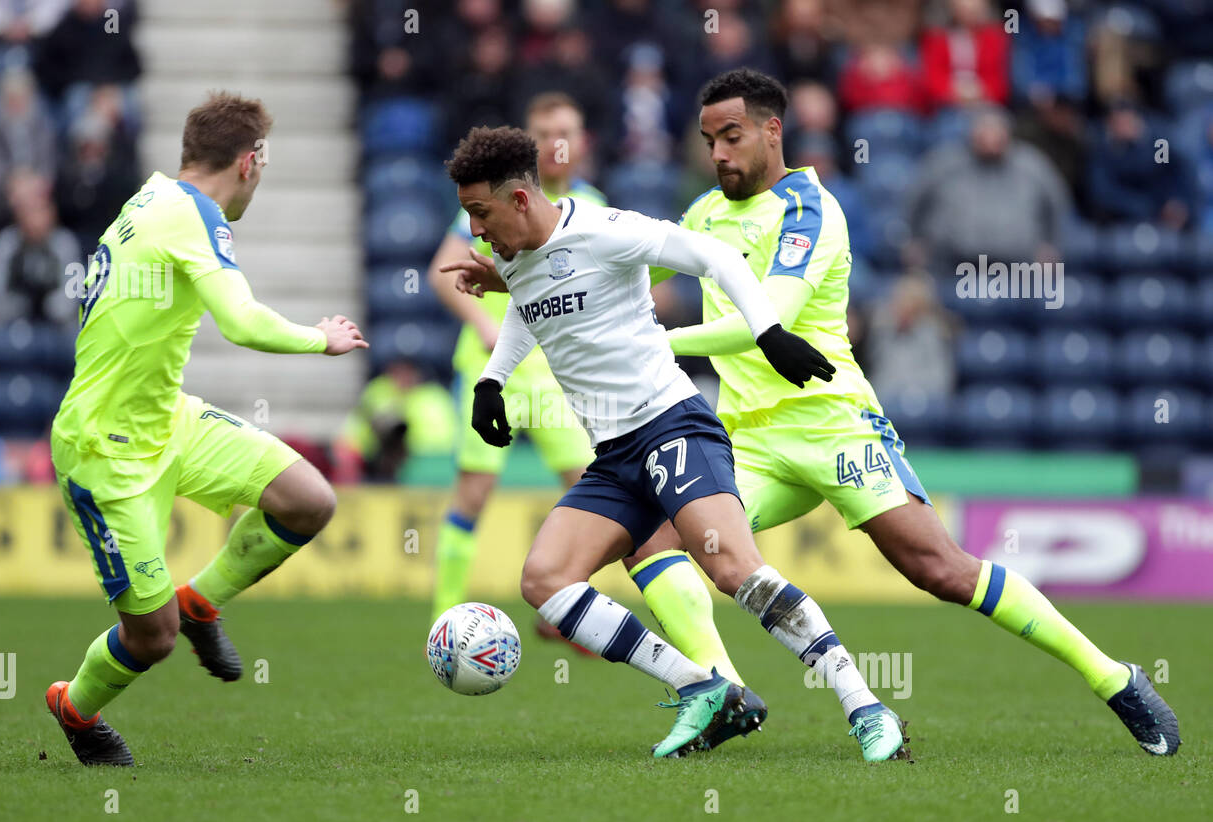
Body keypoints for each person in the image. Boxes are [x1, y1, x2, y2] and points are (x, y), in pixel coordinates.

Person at [633, 68, 1178, 758]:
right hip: (748, 442)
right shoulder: (705, 213)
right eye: (709, 140)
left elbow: (768, 320)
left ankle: (1114, 678)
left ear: (774, 130)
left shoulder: (811, 208)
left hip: (836, 427)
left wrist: (655, 339)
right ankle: (720, 693)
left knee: (941, 570)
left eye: (732, 136)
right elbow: (631, 269)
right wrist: (525, 269)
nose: (718, 154)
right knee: (651, 532)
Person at [439, 124, 896, 760]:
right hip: (616, 454)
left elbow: (717, 256)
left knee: (732, 568)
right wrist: (493, 379)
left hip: (672, 424)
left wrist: (767, 331)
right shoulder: (514, 255)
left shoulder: (605, 230)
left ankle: (865, 706)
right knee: (545, 579)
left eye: (479, 213)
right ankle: (702, 688)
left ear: (519, 199)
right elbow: (527, 300)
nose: (476, 232)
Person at [46, 92, 369, 766]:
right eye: (265, 166)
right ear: (249, 162)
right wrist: (321, 339)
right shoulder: (192, 214)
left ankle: (201, 601)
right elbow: (242, 321)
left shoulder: (153, 198)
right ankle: (75, 706)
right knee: (150, 639)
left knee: (308, 499)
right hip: (105, 450)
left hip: (170, 420)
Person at [425, 93, 603, 630]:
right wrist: (483, 325)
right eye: (545, 132)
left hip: (556, 375)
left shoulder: (593, 204)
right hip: (492, 369)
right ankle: (445, 619)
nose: (557, 143)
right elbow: (445, 269)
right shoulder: (492, 202)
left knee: (590, 491)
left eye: (566, 131)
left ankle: (564, 609)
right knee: (474, 493)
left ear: (582, 141)